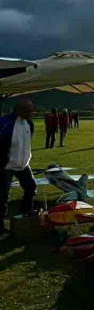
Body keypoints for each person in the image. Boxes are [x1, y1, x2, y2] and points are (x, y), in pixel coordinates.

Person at [0, 98, 37, 234]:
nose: (31, 113)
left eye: (32, 110)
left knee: (31, 187)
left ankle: (25, 214)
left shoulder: (29, 123)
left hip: (23, 165)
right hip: (6, 167)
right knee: (2, 196)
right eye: (28, 111)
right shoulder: (5, 123)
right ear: (19, 110)